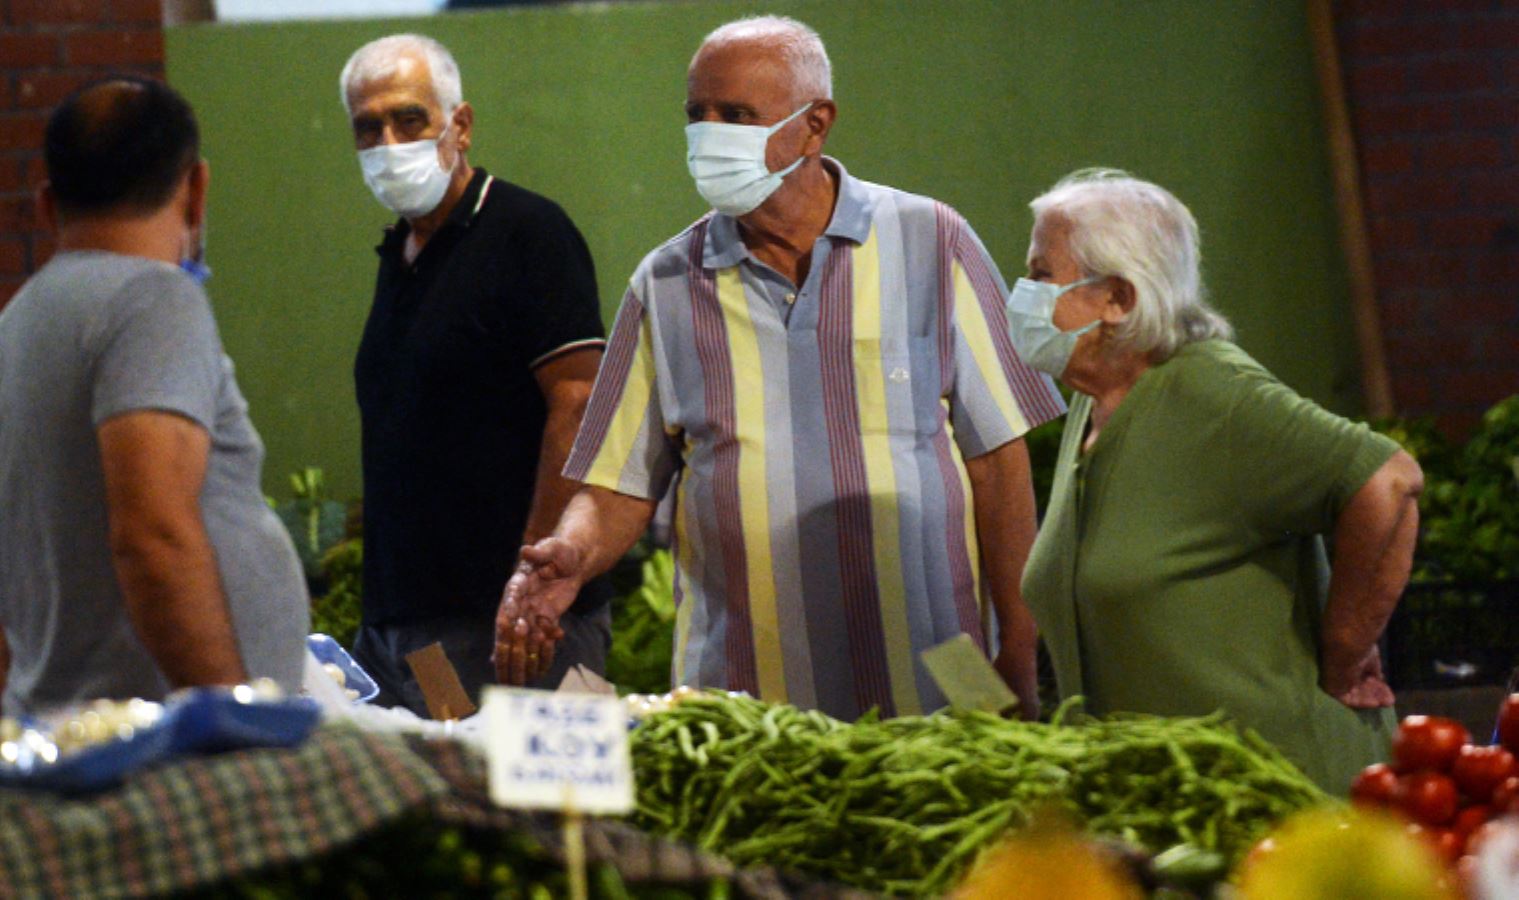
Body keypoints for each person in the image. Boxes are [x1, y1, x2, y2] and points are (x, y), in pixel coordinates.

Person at [495, 15, 1065, 720]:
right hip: (741, 698)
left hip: (930, 683)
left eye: (735, 115)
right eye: (695, 115)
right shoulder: (666, 283)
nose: (708, 136)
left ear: (814, 123)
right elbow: (616, 485)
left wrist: (1019, 640)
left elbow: (998, 465)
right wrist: (572, 553)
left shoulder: (931, 241)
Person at [1012, 169, 1423, 792]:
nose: (1024, 294)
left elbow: (1388, 481)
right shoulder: (1091, 407)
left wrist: (1346, 645)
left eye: (1043, 275)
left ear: (1119, 298)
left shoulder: (1215, 394)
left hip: (1280, 804)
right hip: (1172, 812)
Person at [0, 77, 309, 714]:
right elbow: (152, 533)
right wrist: (229, 717)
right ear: (196, 190)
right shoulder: (153, 300)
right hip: (161, 748)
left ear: (47, 204)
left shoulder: (19, 320)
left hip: (73, 722)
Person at [339, 34, 611, 714]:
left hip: (516, 624)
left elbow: (578, 402)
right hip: (416, 628)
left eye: (408, 119)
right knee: (449, 808)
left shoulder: (527, 232)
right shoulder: (399, 254)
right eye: (367, 127)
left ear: (458, 125)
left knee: (545, 813)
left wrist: (533, 580)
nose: (388, 141)